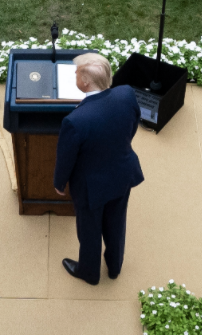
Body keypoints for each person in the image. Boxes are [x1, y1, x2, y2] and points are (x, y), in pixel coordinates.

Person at [53, 52, 144, 284]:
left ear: (85, 82)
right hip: (123, 175)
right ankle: (114, 267)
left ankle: (89, 272)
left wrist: (59, 183)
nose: (75, 75)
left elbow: (66, 158)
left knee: (89, 230)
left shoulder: (75, 121)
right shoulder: (127, 94)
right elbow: (132, 127)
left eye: (76, 73)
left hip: (90, 187)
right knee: (116, 223)